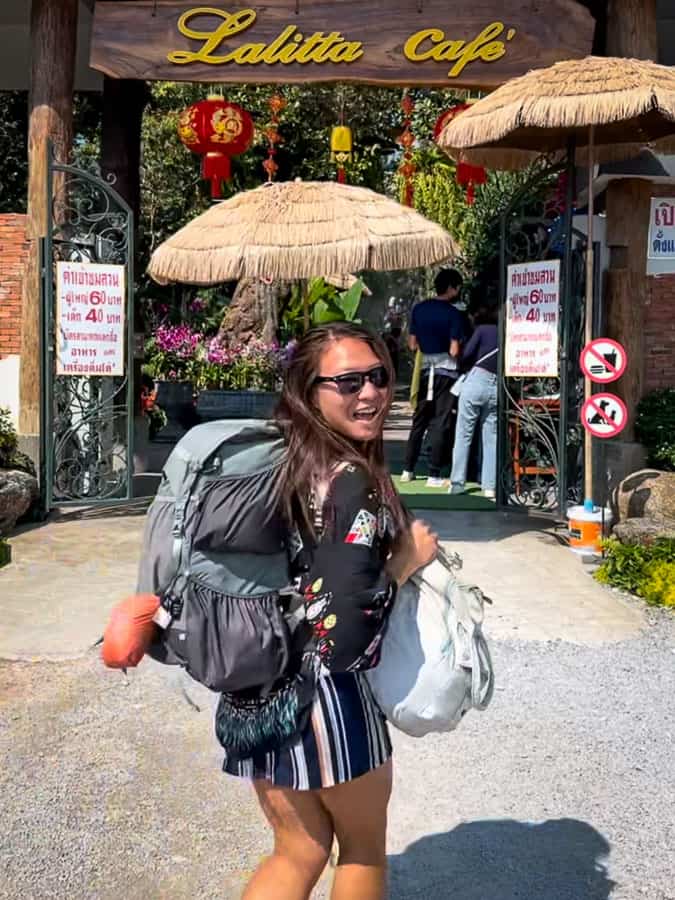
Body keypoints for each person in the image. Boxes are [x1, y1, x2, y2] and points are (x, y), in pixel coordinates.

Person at [225, 322, 438, 900]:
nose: (369, 394)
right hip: (327, 697)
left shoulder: (277, 463)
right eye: (347, 382)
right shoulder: (352, 481)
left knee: (297, 850)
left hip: (257, 686)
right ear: (306, 389)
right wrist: (404, 563)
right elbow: (344, 625)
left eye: (378, 377)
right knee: (362, 848)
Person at [401, 268, 469, 487]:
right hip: (446, 373)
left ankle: (407, 469)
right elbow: (454, 350)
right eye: (457, 287)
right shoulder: (453, 314)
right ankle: (434, 474)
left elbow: (412, 344)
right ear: (451, 288)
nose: (458, 291)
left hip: (424, 370)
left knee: (419, 420)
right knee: (441, 422)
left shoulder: (419, 309)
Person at [449, 305, 499, 499]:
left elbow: (467, 354)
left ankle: (457, 483)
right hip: (495, 386)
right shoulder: (506, 333)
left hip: (476, 382)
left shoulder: (482, 330)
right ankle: (489, 487)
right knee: (491, 437)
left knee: (464, 435)